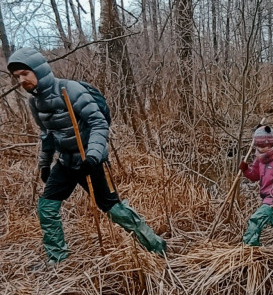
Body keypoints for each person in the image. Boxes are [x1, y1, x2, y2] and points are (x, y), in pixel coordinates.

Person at [7, 47, 166, 264]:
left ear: (38, 70)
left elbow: (98, 122)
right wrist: (45, 164)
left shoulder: (70, 89)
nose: (21, 80)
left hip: (89, 160)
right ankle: (58, 260)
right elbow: (47, 134)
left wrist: (92, 157)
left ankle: (156, 246)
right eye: (17, 77)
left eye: (25, 73)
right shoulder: (34, 102)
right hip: (64, 162)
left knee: (113, 209)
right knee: (47, 207)